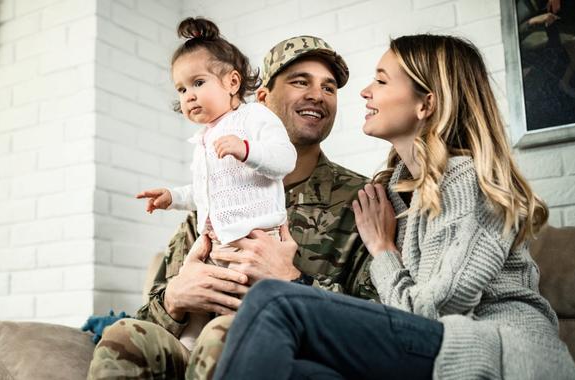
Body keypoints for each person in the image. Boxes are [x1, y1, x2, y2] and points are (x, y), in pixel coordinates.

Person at [213, 34, 575, 380]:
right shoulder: (395, 193)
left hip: (500, 356)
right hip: (441, 352)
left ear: (426, 103)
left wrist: (383, 250)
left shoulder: (468, 182)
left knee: (274, 302)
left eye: (382, 81)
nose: (364, 92)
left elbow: (433, 312)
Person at [86, 34, 377, 379]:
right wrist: (175, 299)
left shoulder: (361, 198)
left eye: (329, 88)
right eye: (301, 82)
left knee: (223, 337)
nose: (317, 95)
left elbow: (380, 327)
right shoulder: (213, 196)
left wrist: (294, 281)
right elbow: (150, 314)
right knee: (124, 336)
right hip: (196, 347)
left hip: (289, 354)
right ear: (263, 99)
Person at [134, 17, 296, 351]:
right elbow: (204, 192)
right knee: (198, 311)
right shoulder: (205, 138)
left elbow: (285, 160)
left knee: (237, 305)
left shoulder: (254, 118)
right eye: (181, 89)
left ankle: (229, 347)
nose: (188, 96)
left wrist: (246, 150)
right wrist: (173, 196)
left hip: (253, 241)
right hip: (216, 243)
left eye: (197, 82)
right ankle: (189, 351)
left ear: (232, 82)